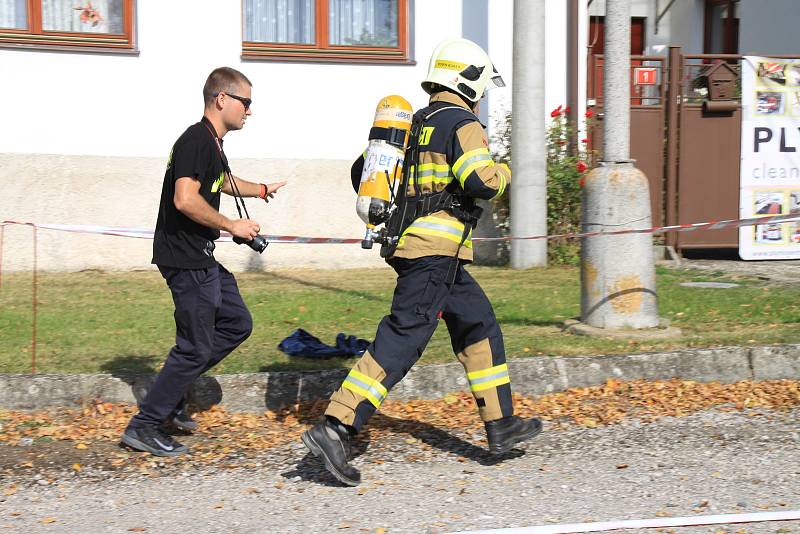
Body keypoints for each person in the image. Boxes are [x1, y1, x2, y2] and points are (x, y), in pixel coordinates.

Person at [301, 38, 542, 486]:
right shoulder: (462, 122)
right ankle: (337, 426)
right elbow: (480, 180)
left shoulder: (411, 123)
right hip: (435, 251)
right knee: (404, 337)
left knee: (478, 325)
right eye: (483, 84)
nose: (484, 94)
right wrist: (505, 170)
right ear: (466, 78)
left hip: (422, 250)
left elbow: (362, 173)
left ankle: (501, 423)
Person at [121, 67, 286, 457]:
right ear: (221, 99)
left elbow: (221, 182)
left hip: (201, 256)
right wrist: (232, 224)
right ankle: (143, 426)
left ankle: (171, 393)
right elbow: (185, 198)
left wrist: (260, 189)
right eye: (245, 102)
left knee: (236, 322)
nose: (250, 111)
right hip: (186, 258)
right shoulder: (196, 139)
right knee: (194, 348)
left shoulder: (211, 144)